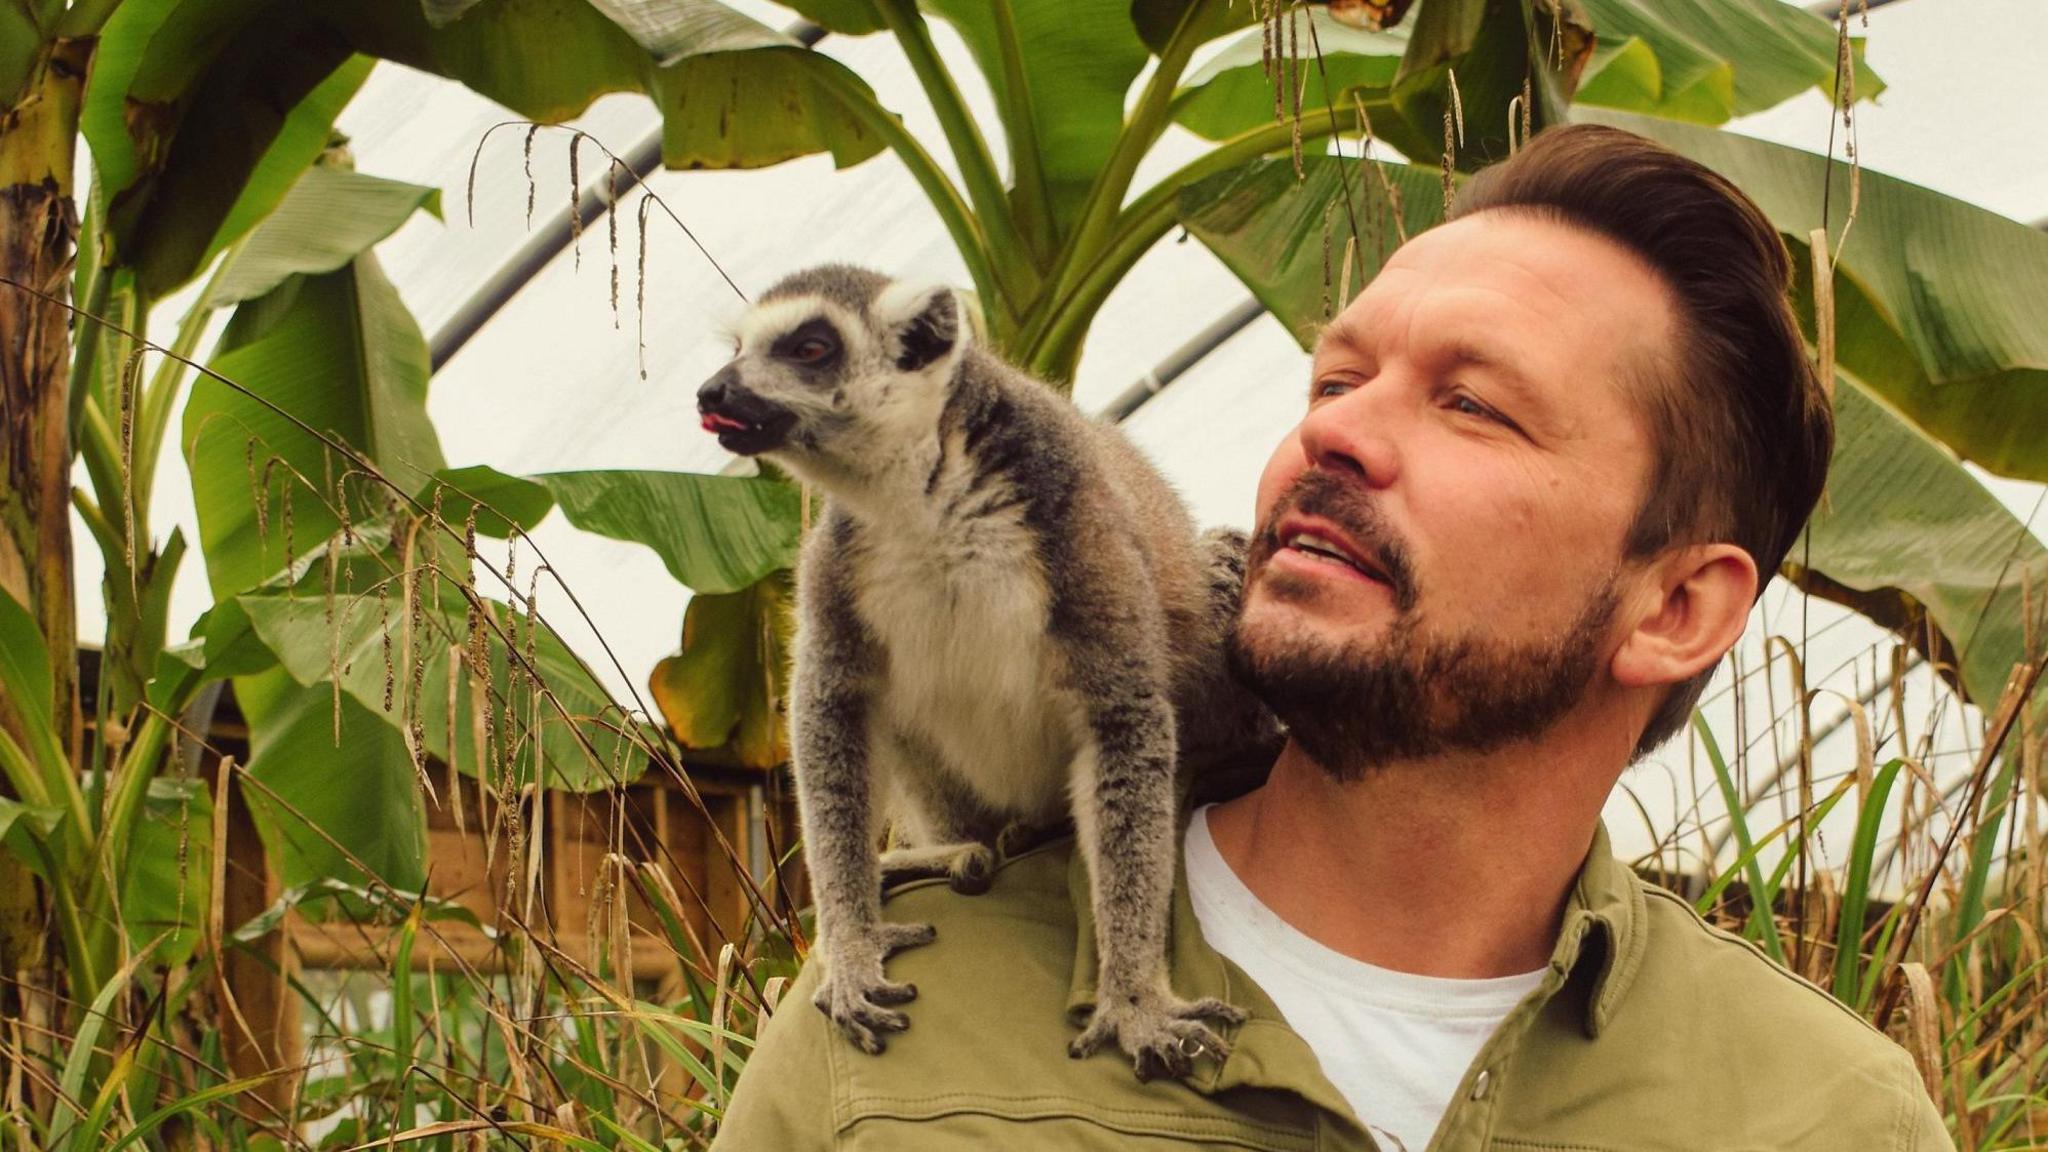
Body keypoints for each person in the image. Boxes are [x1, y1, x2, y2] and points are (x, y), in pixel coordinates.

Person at [710, 123, 1954, 1152]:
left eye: (1471, 404)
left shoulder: (1825, 1115)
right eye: (1331, 382)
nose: (1332, 438)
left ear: (1675, 609)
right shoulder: (890, 1038)